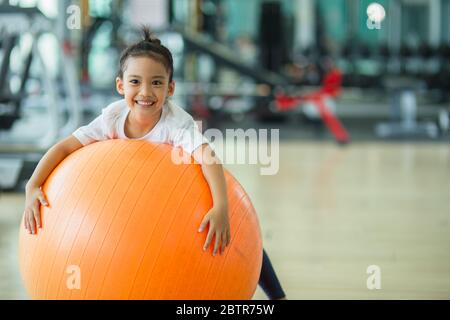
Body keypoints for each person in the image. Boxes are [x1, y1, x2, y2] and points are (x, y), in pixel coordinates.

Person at [22, 26, 286, 300]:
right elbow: (65, 146)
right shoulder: (112, 118)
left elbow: (208, 156)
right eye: (135, 82)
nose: (145, 92)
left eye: (156, 83)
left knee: (240, 232)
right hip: (126, 211)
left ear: (170, 88)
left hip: (175, 207)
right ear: (120, 85)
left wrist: (221, 207)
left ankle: (278, 296)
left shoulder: (175, 124)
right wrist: (33, 184)